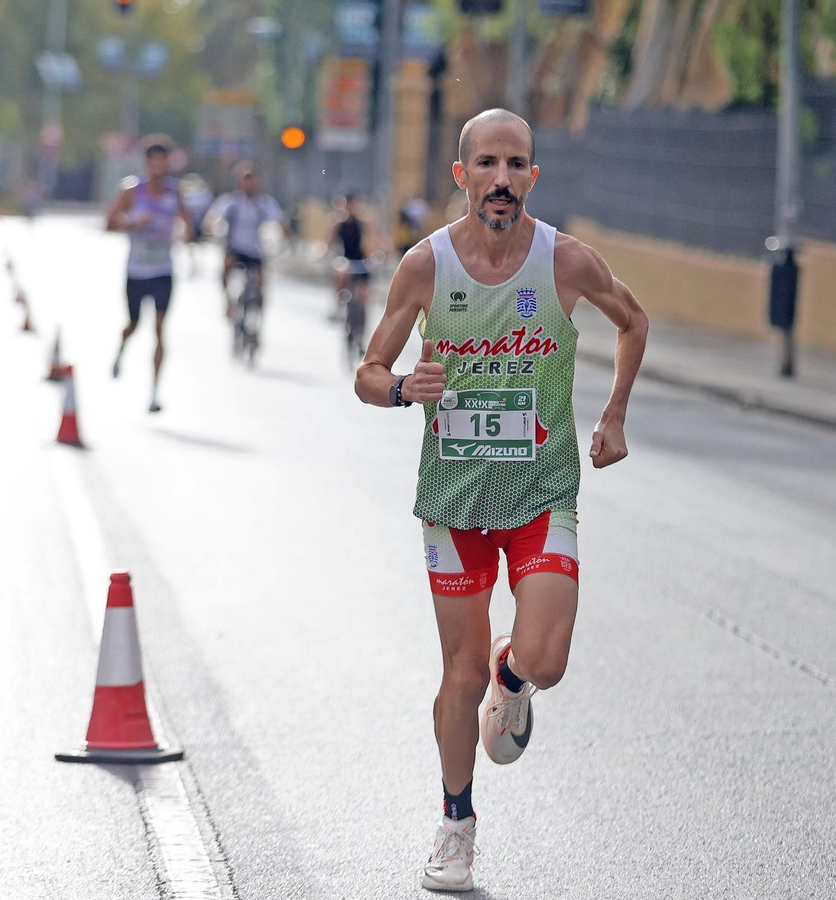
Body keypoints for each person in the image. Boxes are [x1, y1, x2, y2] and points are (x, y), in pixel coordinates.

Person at [353, 109, 649, 893]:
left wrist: (615, 413)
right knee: (457, 676)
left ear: (532, 178)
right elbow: (368, 369)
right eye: (487, 164)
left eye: (517, 165)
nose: (502, 180)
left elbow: (634, 320)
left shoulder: (567, 262)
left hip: (541, 490)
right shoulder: (426, 266)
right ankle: (457, 826)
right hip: (453, 497)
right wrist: (398, 389)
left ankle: (510, 682)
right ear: (462, 176)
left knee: (544, 661)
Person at [105, 135, 195, 413]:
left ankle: (155, 392)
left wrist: (187, 234)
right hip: (136, 270)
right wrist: (132, 221)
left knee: (159, 328)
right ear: (147, 163)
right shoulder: (132, 190)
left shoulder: (175, 192)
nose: (158, 165)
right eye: (153, 160)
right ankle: (121, 349)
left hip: (163, 270)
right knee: (134, 325)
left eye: (163, 160)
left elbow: (188, 225)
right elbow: (109, 223)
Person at [206, 161, 288, 321]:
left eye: (252, 178)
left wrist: (284, 236)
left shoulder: (264, 203)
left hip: (255, 251)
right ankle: (228, 302)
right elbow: (213, 218)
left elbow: (281, 221)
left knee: (260, 280)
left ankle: (258, 316)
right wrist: (212, 228)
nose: (248, 183)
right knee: (225, 267)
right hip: (235, 248)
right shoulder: (230, 202)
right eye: (245, 178)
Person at [329, 192, 374, 321]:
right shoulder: (338, 223)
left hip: (362, 262)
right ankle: (339, 303)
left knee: (363, 296)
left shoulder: (363, 223)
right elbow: (328, 242)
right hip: (346, 259)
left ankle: (362, 324)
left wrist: (377, 253)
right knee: (340, 272)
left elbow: (375, 240)